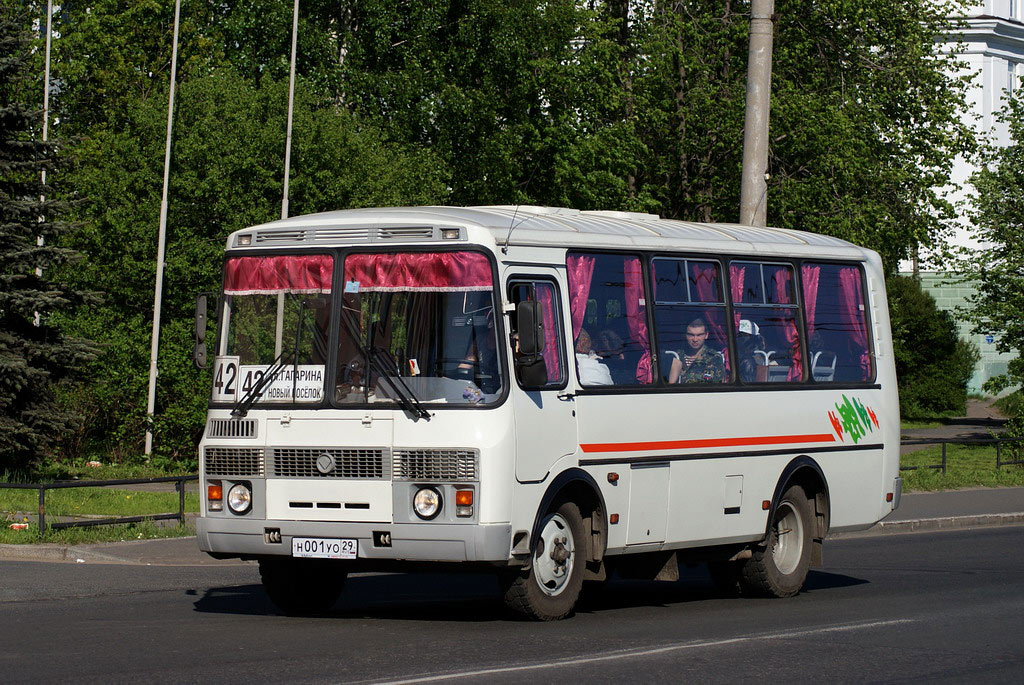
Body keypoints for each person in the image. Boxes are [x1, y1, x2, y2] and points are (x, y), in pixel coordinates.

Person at [668, 317, 726, 384]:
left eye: (699, 335)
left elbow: (719, 388)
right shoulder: (675, 356)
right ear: (685, 335)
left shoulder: (714, 358)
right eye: (691, 335)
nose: (695, 339)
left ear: (706, 335)